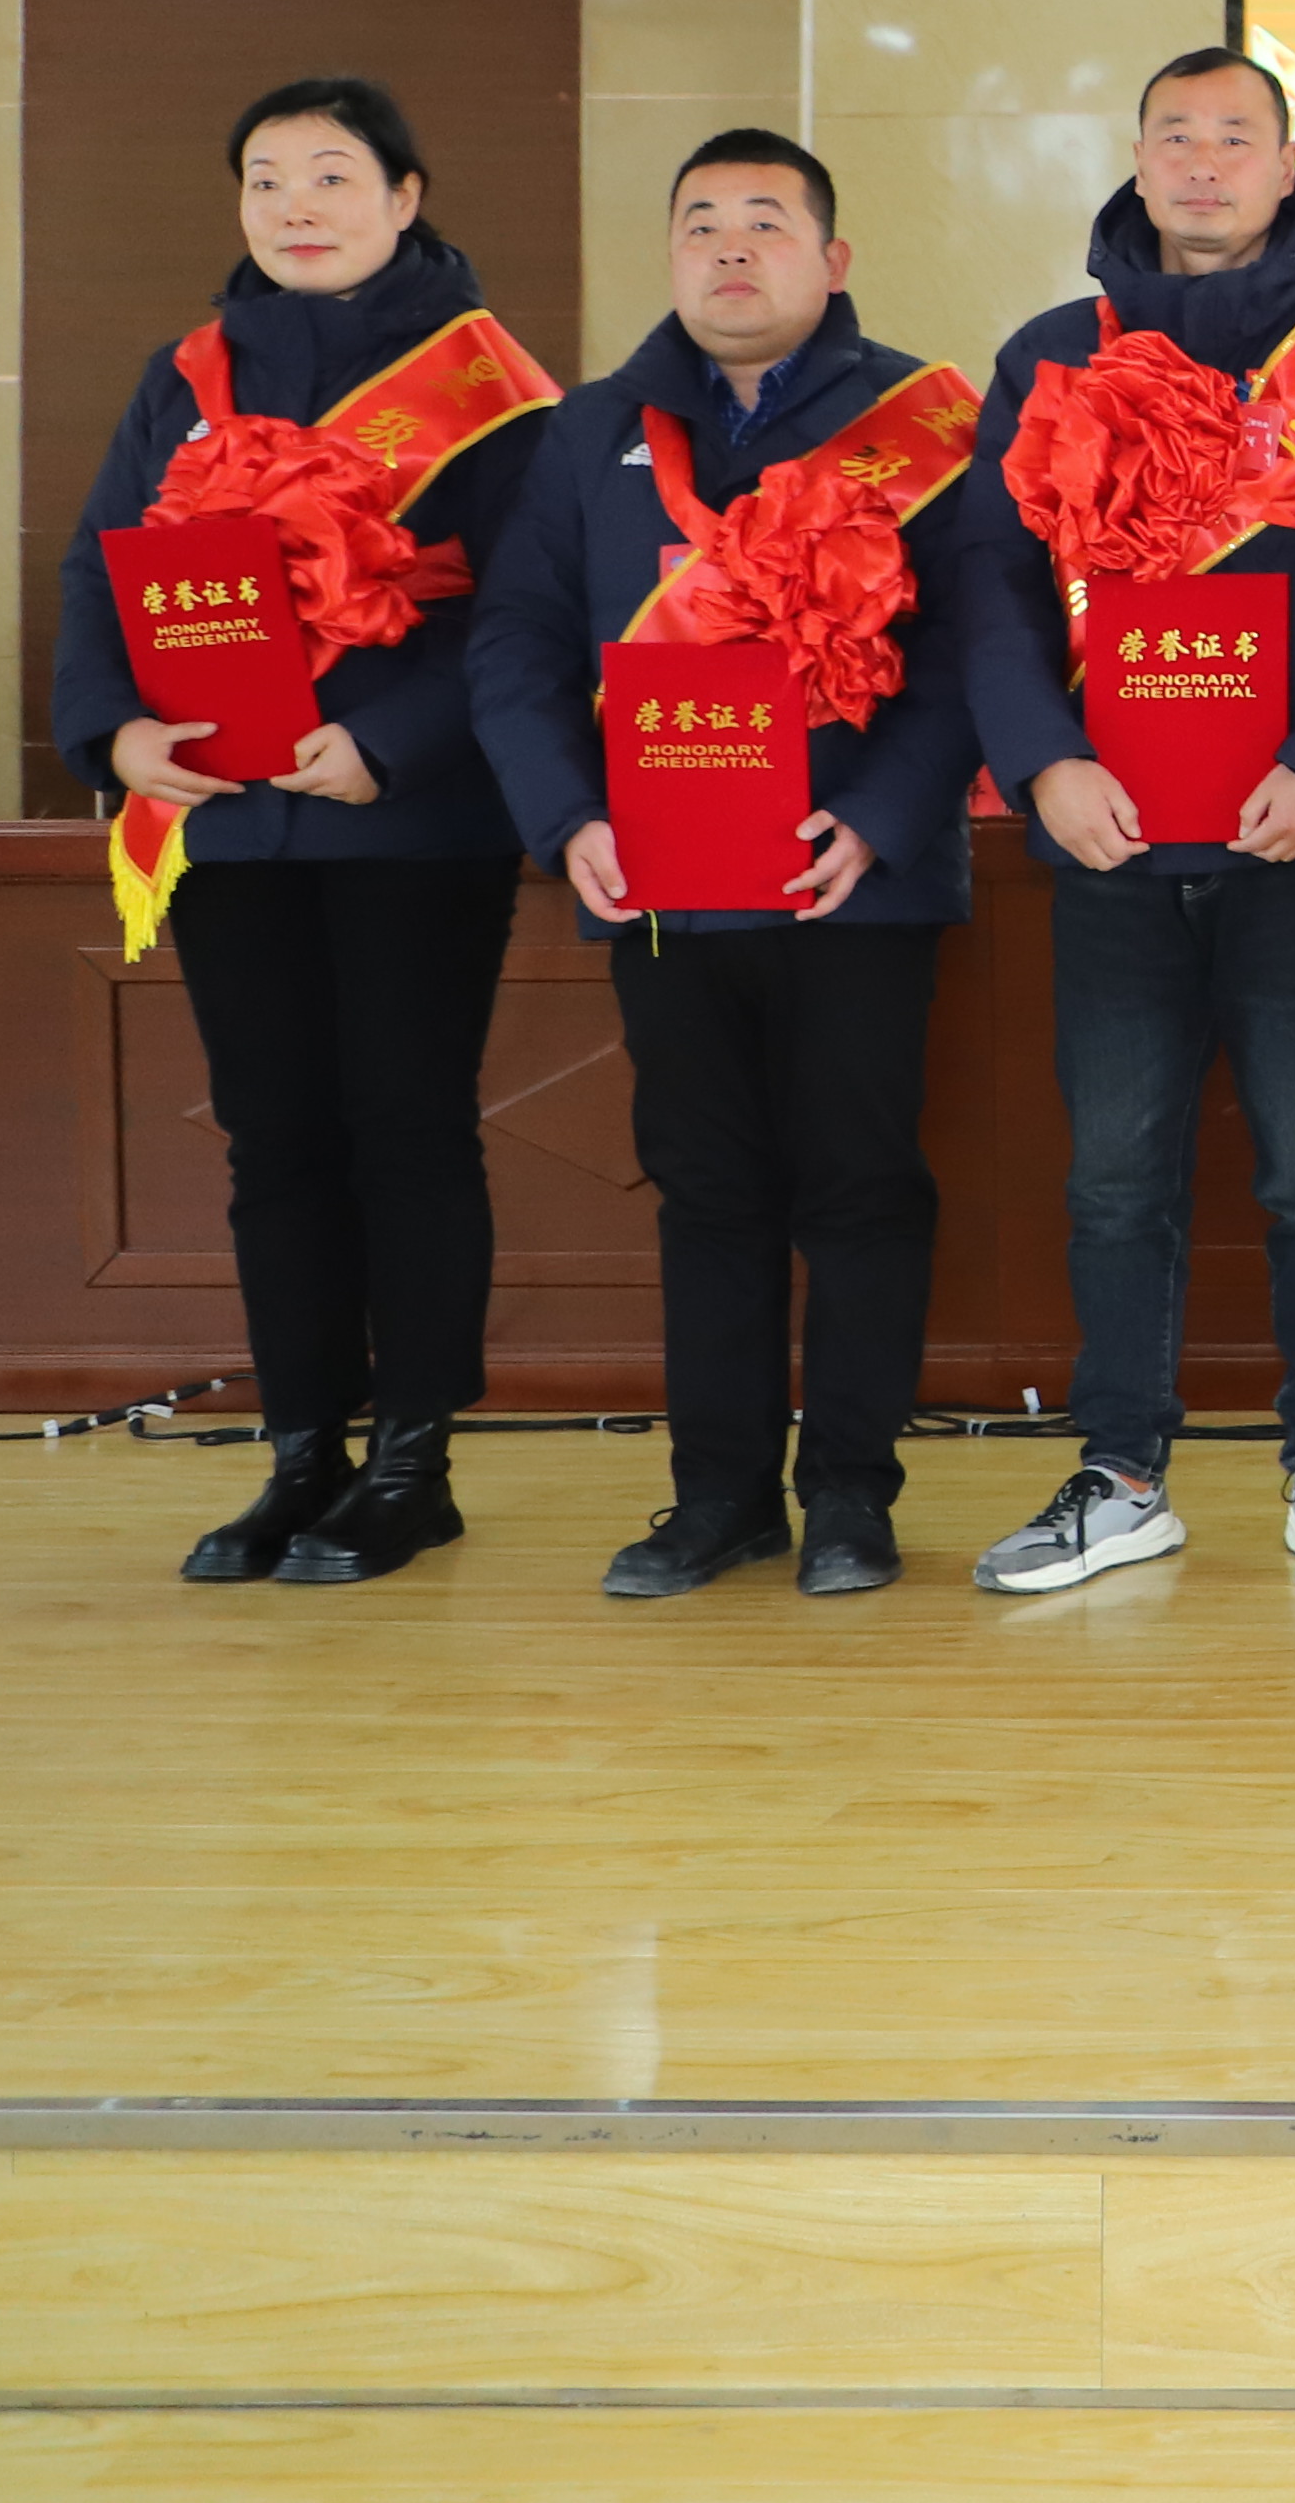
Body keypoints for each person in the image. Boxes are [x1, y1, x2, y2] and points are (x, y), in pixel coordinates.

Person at [934, 47, 1295, 1599]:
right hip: (1108, 838)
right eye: (1178, 135)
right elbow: (990, 591)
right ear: (1139, 160)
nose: (1206, 161)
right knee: (1114, 1177)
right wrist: (1043, 766)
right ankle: (1120, 1474)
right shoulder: (1050, 357)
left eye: (1238, 137)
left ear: (1290, 169)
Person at [467, 133, 985, 1599]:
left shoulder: (922, 424)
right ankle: (719, 1496)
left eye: (767, 221)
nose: (732, 248)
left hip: (855, 882)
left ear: (834, 258)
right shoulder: (592, 431)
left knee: (862, 1184)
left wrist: (878, 815)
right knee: (707, 1188)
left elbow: (975, 645)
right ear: (671, 258)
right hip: (661, 884)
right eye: (701, 223)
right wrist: (571, 819)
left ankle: (853, 1494)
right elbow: (514, 643)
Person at [58, 75, 560, 1587]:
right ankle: (302, 1454)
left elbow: (530, 611)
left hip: (411, 824)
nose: (296, 207)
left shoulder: (490, 383)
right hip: (229, 824)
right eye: (266, 179)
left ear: (404, 198)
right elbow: (101, 565)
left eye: (332, 175)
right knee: (272, 1142)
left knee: (407, 1131)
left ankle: (413, 1462)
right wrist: (116, 735)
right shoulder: (189, 372)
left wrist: (388, 742)